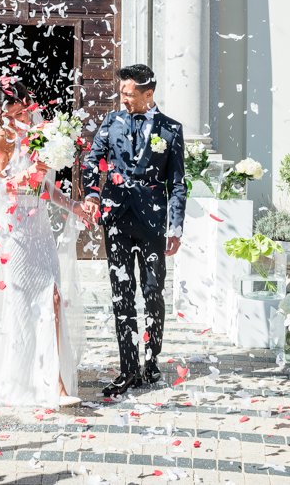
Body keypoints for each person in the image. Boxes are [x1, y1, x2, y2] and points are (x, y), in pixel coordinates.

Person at [0, 80, 92, 406]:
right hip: (15, 231)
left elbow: (45, 190)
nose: (27, 111)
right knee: (24, 305)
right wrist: (29, 175)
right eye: (20, 107)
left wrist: (74, 206)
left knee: (53, 297)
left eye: (28, 106)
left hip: (39, 227)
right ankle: (22, 381)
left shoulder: (38, 136)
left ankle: (57, 385)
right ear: (6, 109)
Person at [82, 64, 187, 398]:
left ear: (148, 94)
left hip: (154, 221)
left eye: (129, 94)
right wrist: (92, 193)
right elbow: (92, 160)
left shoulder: (171, 129)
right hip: (117, 219)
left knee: (153, 292)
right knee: (122, 293)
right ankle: (128, 369)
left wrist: (176, 226)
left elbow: (178, 183)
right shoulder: (111, 122)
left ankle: (151, 359)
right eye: (122, 93)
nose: (123, 99)